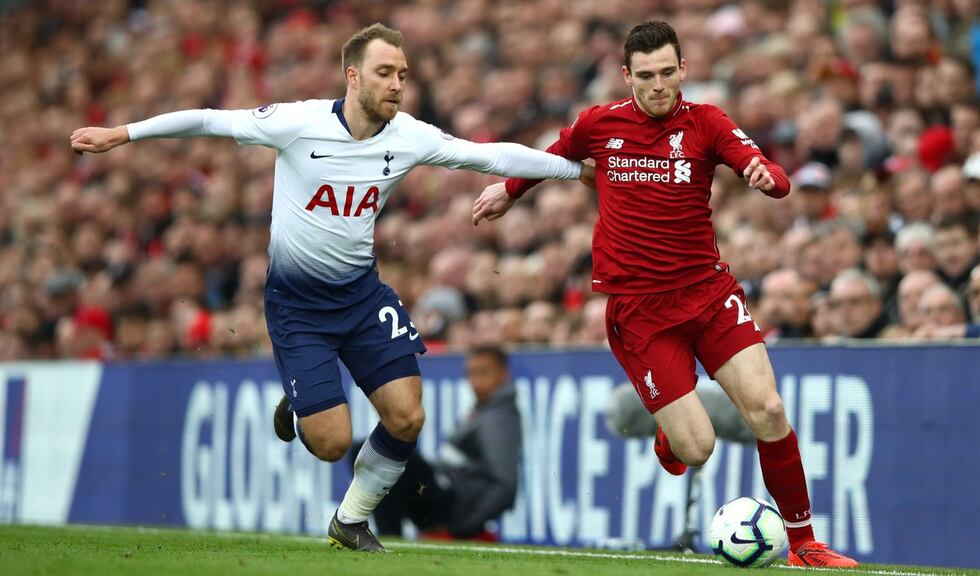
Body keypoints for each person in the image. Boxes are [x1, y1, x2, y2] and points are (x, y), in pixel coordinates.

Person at [70, 23, 588, 553]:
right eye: (384, 73)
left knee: (408, 416)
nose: (396, 85)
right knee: (331, 441)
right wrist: (123, 133)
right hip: (297, 307)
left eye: (402, 75)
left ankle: (351, 520)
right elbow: (208, 120)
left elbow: (493, 156)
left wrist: (575, 171)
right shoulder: (298, 122)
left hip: (363, 297)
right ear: (353, 75)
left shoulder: (409, 136)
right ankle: (300, 404)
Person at [472, 21, 857, 568]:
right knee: (698, 448)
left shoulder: (706, 122)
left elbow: (762, 164)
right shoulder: (600, 123)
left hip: (708, 293)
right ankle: (670, 432)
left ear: (684, 69)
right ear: (627, 75)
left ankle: (805, 545)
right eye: (646, 76)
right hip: (641, 312)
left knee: (769, 409)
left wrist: (763, 174)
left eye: (668, 73)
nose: (658, 85)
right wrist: (509, 190)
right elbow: (555, 152)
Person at [370, 345, 522, 539]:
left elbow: (505, 487)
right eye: (471, 374)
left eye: (483, 372)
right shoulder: (484, 411)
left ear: (503, 374)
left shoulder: (500, 418)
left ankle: (388, 537)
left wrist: (460, 529)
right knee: (380, 456)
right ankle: (387, 537)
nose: (476, 381)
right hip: (446, 494)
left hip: (452, 504)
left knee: (391, 456)